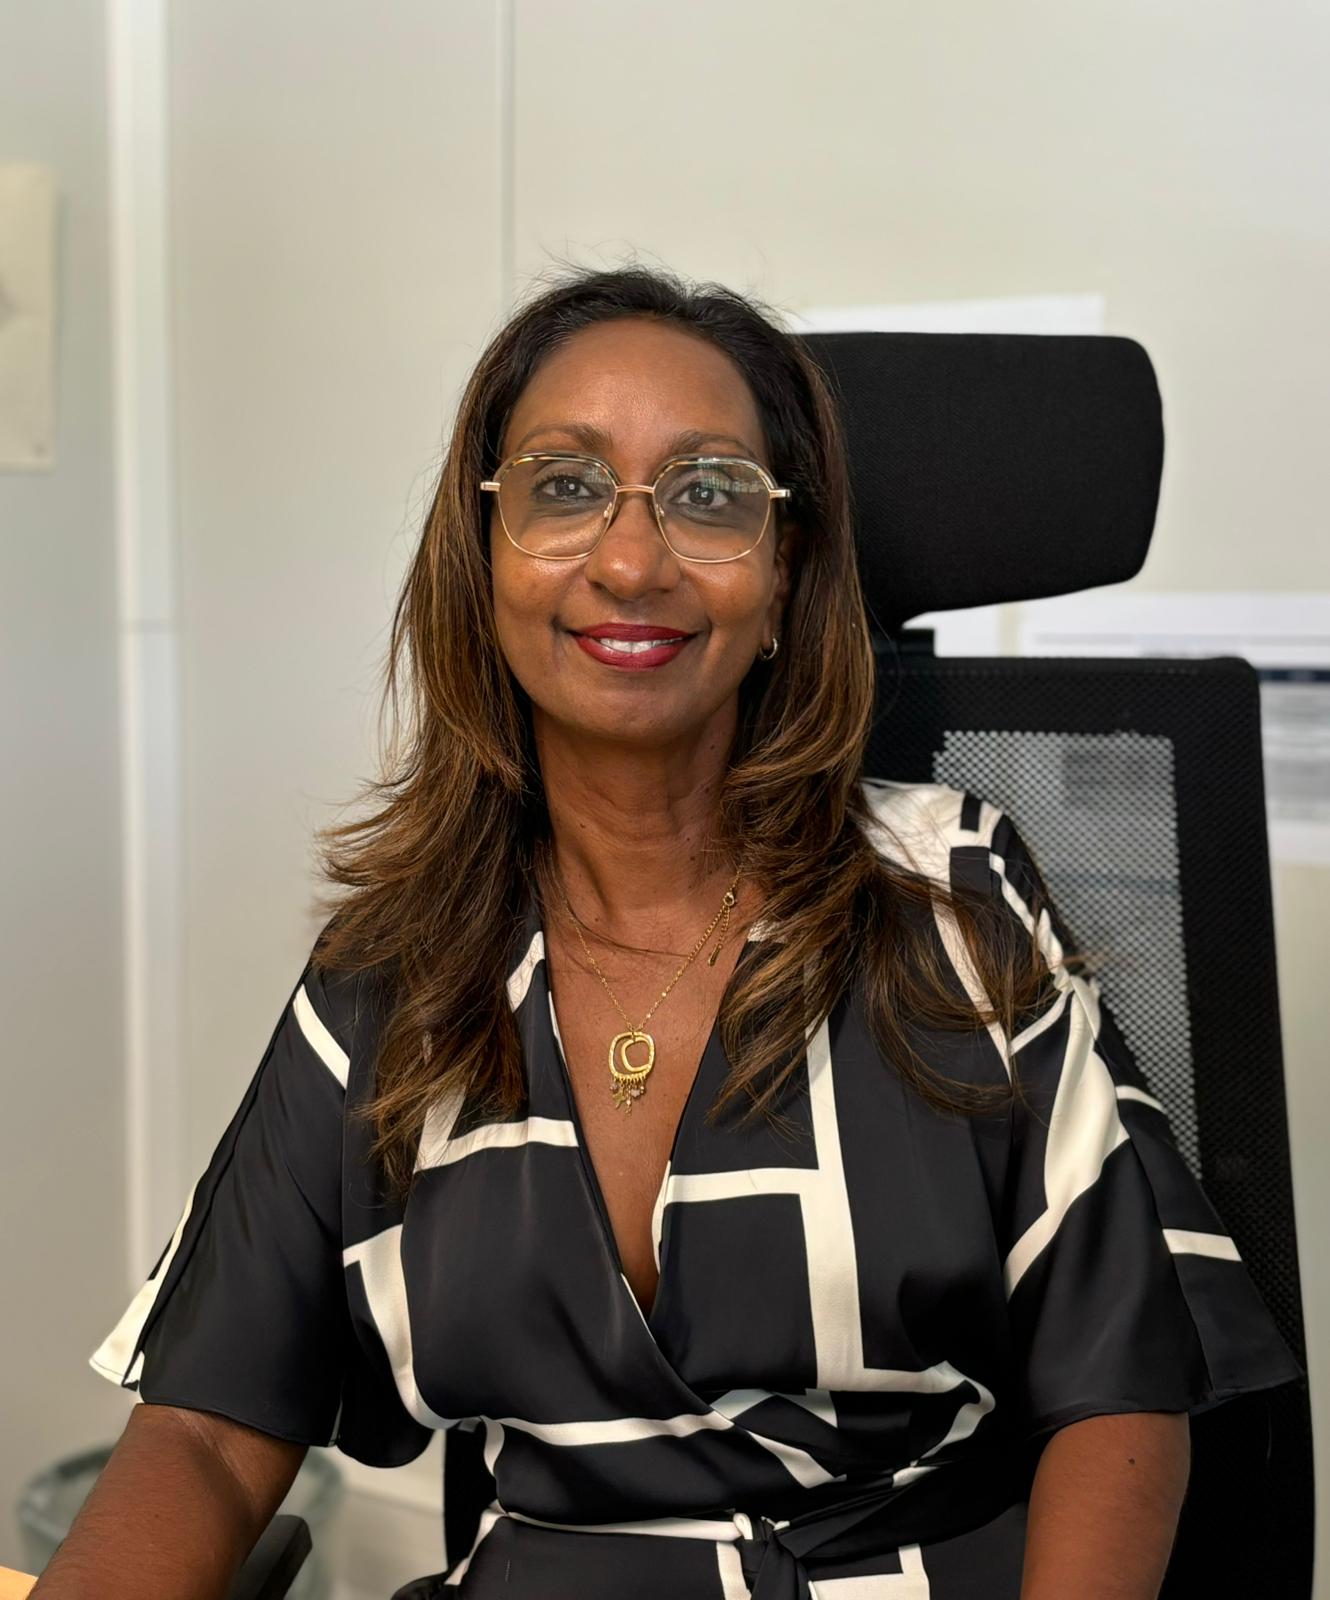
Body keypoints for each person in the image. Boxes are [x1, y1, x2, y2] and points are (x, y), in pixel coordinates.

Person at [49, 266, 1297, 1600]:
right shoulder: (396, 969)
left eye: (708, 495)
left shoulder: (947, 896)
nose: (631, 561)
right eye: (565, 487)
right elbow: (204, 1430)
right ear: (484, 556)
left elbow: (1118, 1390)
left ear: (784, 573)